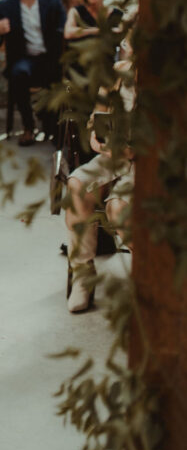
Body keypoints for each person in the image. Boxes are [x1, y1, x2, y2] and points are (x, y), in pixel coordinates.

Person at [64, 31, 135, 313]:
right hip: (112, 157)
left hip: (151, 163)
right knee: (77, 183)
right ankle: (83, 275)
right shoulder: (117, 74)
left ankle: (151, 279)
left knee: (120, 208)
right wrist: (97, 138)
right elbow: (98, 118)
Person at [0, 0, 65, 145]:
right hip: (23, 60)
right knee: (18, 74)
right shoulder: (6, 6)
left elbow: (63, 30)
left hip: (48, 58)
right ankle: (29, 127)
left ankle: (51, 125)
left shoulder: (52, 3)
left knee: (59, 75)